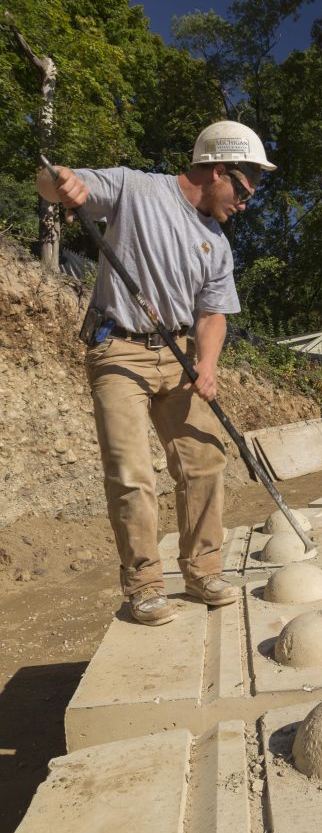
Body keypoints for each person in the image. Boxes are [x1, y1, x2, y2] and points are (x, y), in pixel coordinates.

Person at [37, 120, 276, 626]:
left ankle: (203, 568)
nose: (245, 202)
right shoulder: (136, 188)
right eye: (243, 189)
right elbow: (54, 181)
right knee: (131, 473)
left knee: (205, 459)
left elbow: (213, 315)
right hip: (117, 351)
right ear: (215, 170)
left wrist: (206, 365)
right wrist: (62, 182)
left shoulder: (218, 245)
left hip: (179, 356)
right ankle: (144, 585)